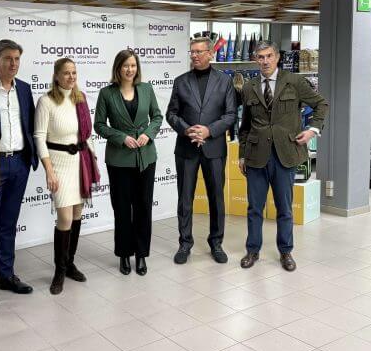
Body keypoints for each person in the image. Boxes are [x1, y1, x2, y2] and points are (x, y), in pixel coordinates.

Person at [238, 41, 328, 272]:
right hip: (256, 156)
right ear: (255, 60)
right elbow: (245, 126)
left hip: (285, 154)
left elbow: (321, 104)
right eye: (260, 57)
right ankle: (252, 250)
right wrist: (242, 155)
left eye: (269, 56)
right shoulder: (249, 87)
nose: (265, 61)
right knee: (254, 208)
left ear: (277, 57)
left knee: (284, 208)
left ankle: (286, 251)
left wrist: (312, 130)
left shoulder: (295, 81)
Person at [0, 40, 38, 309]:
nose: (13, 63)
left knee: (9, 223)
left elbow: (30, 122)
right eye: (8, 58)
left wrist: (31, 158)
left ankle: (7, 275)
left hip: (19, 163)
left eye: (17, 59)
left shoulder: (23, 88)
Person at [166, 37, 236, 265]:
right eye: (192, 52)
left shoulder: (224, 81)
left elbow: (230, 115)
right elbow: (171, 114)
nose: (194, 56)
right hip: (186, 149)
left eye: (199, 52)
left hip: (214, 148)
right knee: (185, 199)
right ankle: (185, 243)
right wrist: (187, 130)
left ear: (210, 53)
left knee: (216, 198)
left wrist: (208, 130)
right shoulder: (180, 81)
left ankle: (216, 243)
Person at [34, 57, 99, 295]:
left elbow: (87, 135)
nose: (71, 77)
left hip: (80, 163)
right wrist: (49, 170)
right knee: (65, 217)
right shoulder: (46, 101)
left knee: (77, 213)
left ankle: (70, 264)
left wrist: (93, 159)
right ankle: (59, 271)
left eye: (74, 72)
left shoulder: (79, 99)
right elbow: (39, 137)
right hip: (59, 164)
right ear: (56, 76)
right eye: (66, 73)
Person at [94, 50, 162, 276]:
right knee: (122, 209)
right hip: (119, 160)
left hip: (146, 158)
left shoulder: (147, 89)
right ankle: (124, 253)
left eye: (133, 65)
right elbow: (99, 125)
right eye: (125, 65)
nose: (130, 69)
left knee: (143, 207)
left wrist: (148, 134)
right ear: (118, 68)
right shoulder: (107, 93)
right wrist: (121, 137)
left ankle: (141, 254)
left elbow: (157, 117)